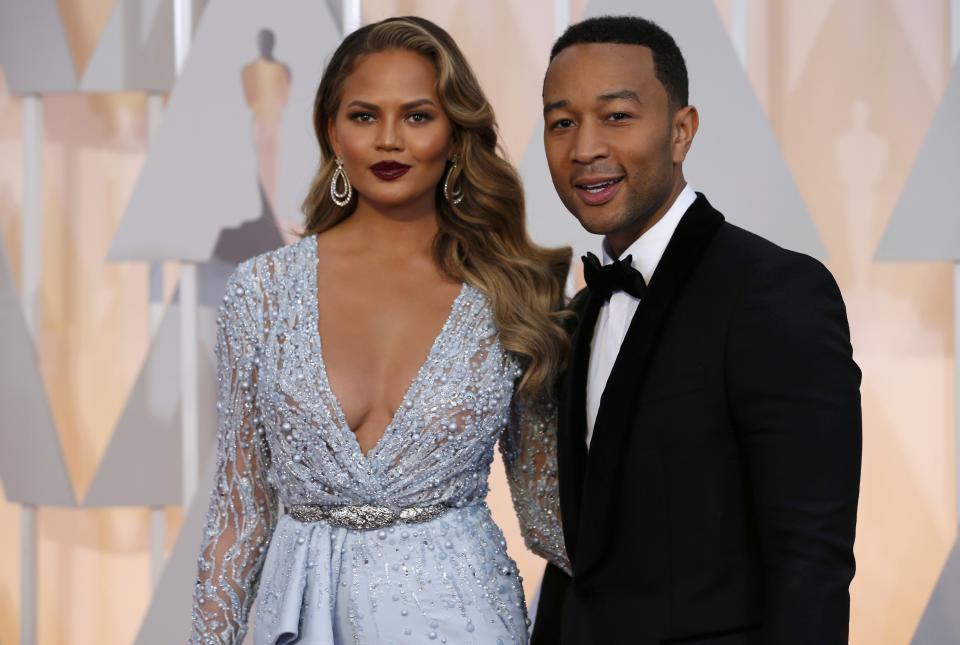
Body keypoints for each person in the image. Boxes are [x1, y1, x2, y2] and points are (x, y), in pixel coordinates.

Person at [189, 17, 571, 644]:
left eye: (418, 116)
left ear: (453, 135)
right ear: (332, 133)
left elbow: (547, 511)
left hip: (465, 619)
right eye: (365, 116)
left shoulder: (515, 290)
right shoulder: (259, 292)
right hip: (300, 620)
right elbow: (238, 515)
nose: (389, 140)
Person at [528, 15, 862, 645]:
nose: (585, 148)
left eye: (617, 117)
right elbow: (579, 556)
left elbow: (811, 562)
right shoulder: (579, 310)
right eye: (562, 122)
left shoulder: (773, 290)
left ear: (681, 132)